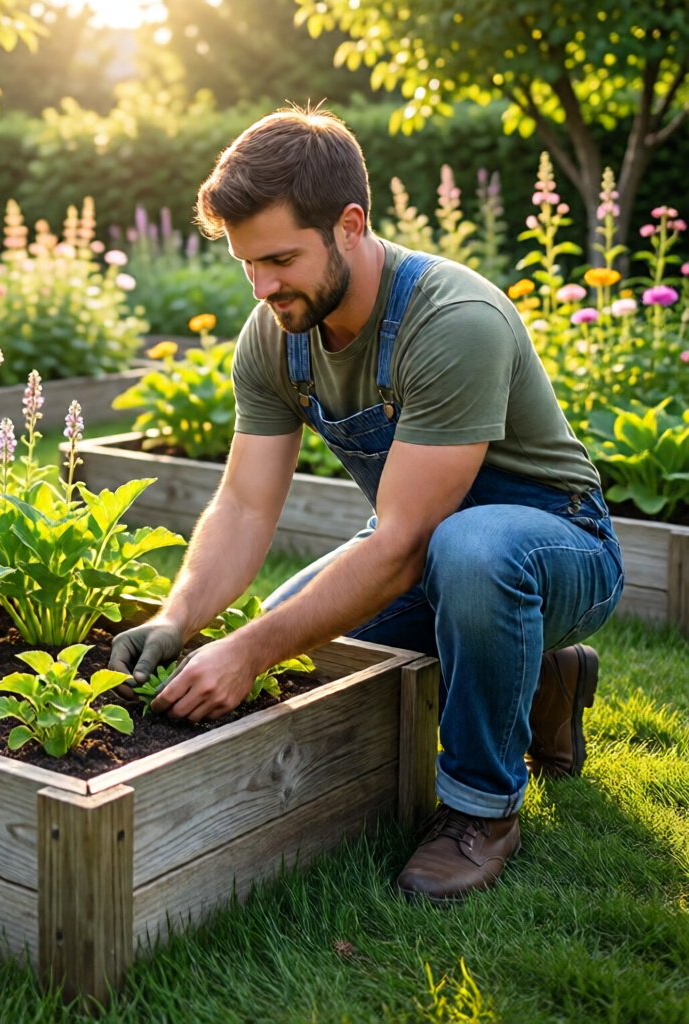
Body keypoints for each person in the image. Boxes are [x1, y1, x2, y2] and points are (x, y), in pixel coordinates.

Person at [108, 106, 625, 902]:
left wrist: (246, 651)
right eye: (247, 265)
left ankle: (481, 809)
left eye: (280, 259)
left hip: (561, 547)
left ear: (350, 225)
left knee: (469, 553)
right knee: (298, 639)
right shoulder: (276, 335)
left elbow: (406, 542)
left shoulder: (453, 321)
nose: (263, 287)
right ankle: (542, 678)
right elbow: (244, 506)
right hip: (424, 548)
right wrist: (179, 619)